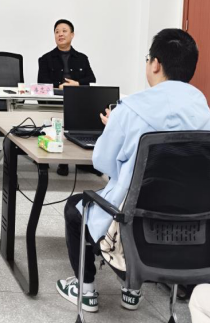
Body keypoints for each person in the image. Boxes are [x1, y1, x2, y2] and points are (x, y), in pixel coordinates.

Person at [55, 29, 210, 314]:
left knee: (76, 208)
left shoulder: (131, 109)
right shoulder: (204, 112)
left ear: (156, 64)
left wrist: (114, 126)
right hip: (189, 231)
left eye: (148, 58)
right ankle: (131, 290)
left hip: (131, 229)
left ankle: (85, 290)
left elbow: (103, 163)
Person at [38, 19, 97, 176]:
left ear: (72, 35)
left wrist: (77, 84)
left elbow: (91, 79)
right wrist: (59, 86)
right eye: (57, 32)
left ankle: (85, 159)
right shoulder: (45, 59)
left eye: (64, 31)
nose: (60, 34)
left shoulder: (82, 58)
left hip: (77, 100)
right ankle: (62, 161)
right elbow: (41, 82)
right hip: (55, 101)